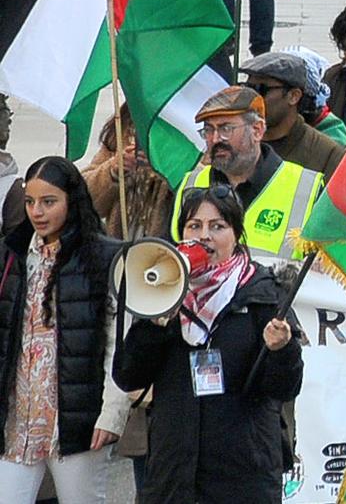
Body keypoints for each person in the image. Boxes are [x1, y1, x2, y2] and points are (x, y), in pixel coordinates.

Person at [114, 184, 304, 504]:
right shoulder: (163, 292)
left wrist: (281, 350)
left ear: (236, 234)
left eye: (217, 227)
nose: (204, 236)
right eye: (194, 226)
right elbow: (128, 375)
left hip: (244, 472)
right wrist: (155, 328)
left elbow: (284, 387)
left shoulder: (263, 292)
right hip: (174, 473)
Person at [0, 157, 128, 502]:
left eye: (48, 201)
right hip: (18, 417)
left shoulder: (104, 257)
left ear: (72, 200)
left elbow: (119, 340)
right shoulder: (12, 253)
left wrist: (112, 414)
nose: (37, 212)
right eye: (30, 202)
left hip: (78, 417)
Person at [170, 86, 321, 262]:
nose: (215, 139)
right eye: (209, 130)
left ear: (257, 130)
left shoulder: (306, 188)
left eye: (226, 129)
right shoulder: (191, 184)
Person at [238, 51, 345, 176]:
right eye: (248, 89)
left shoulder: (327, 155)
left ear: (294, 96)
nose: (253, 99)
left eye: (261, 90)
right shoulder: (234, 145)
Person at [81, 109, 173, 241]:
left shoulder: (187, 124)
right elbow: (85, 198)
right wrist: (113, 170)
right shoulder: (123, 125)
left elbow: (199, 191)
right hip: (121, 244)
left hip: (166, 246)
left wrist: (165, 170)